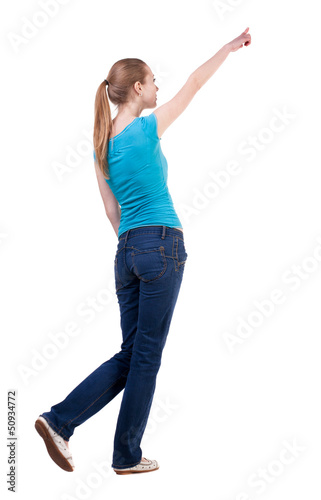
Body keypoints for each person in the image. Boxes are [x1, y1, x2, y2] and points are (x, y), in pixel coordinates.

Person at [35, 27, 251, 476]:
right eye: (153, 81)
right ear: (137, 88)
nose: (158, 88)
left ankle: (62, 424)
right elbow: (194, 84)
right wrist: (227, 50)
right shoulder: (147, 128)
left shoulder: (101, 144)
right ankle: (121, 453)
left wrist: (133, 247)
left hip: (127, 252)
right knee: (145, 356)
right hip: (161, 244)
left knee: (132, 353)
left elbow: (111, 211)